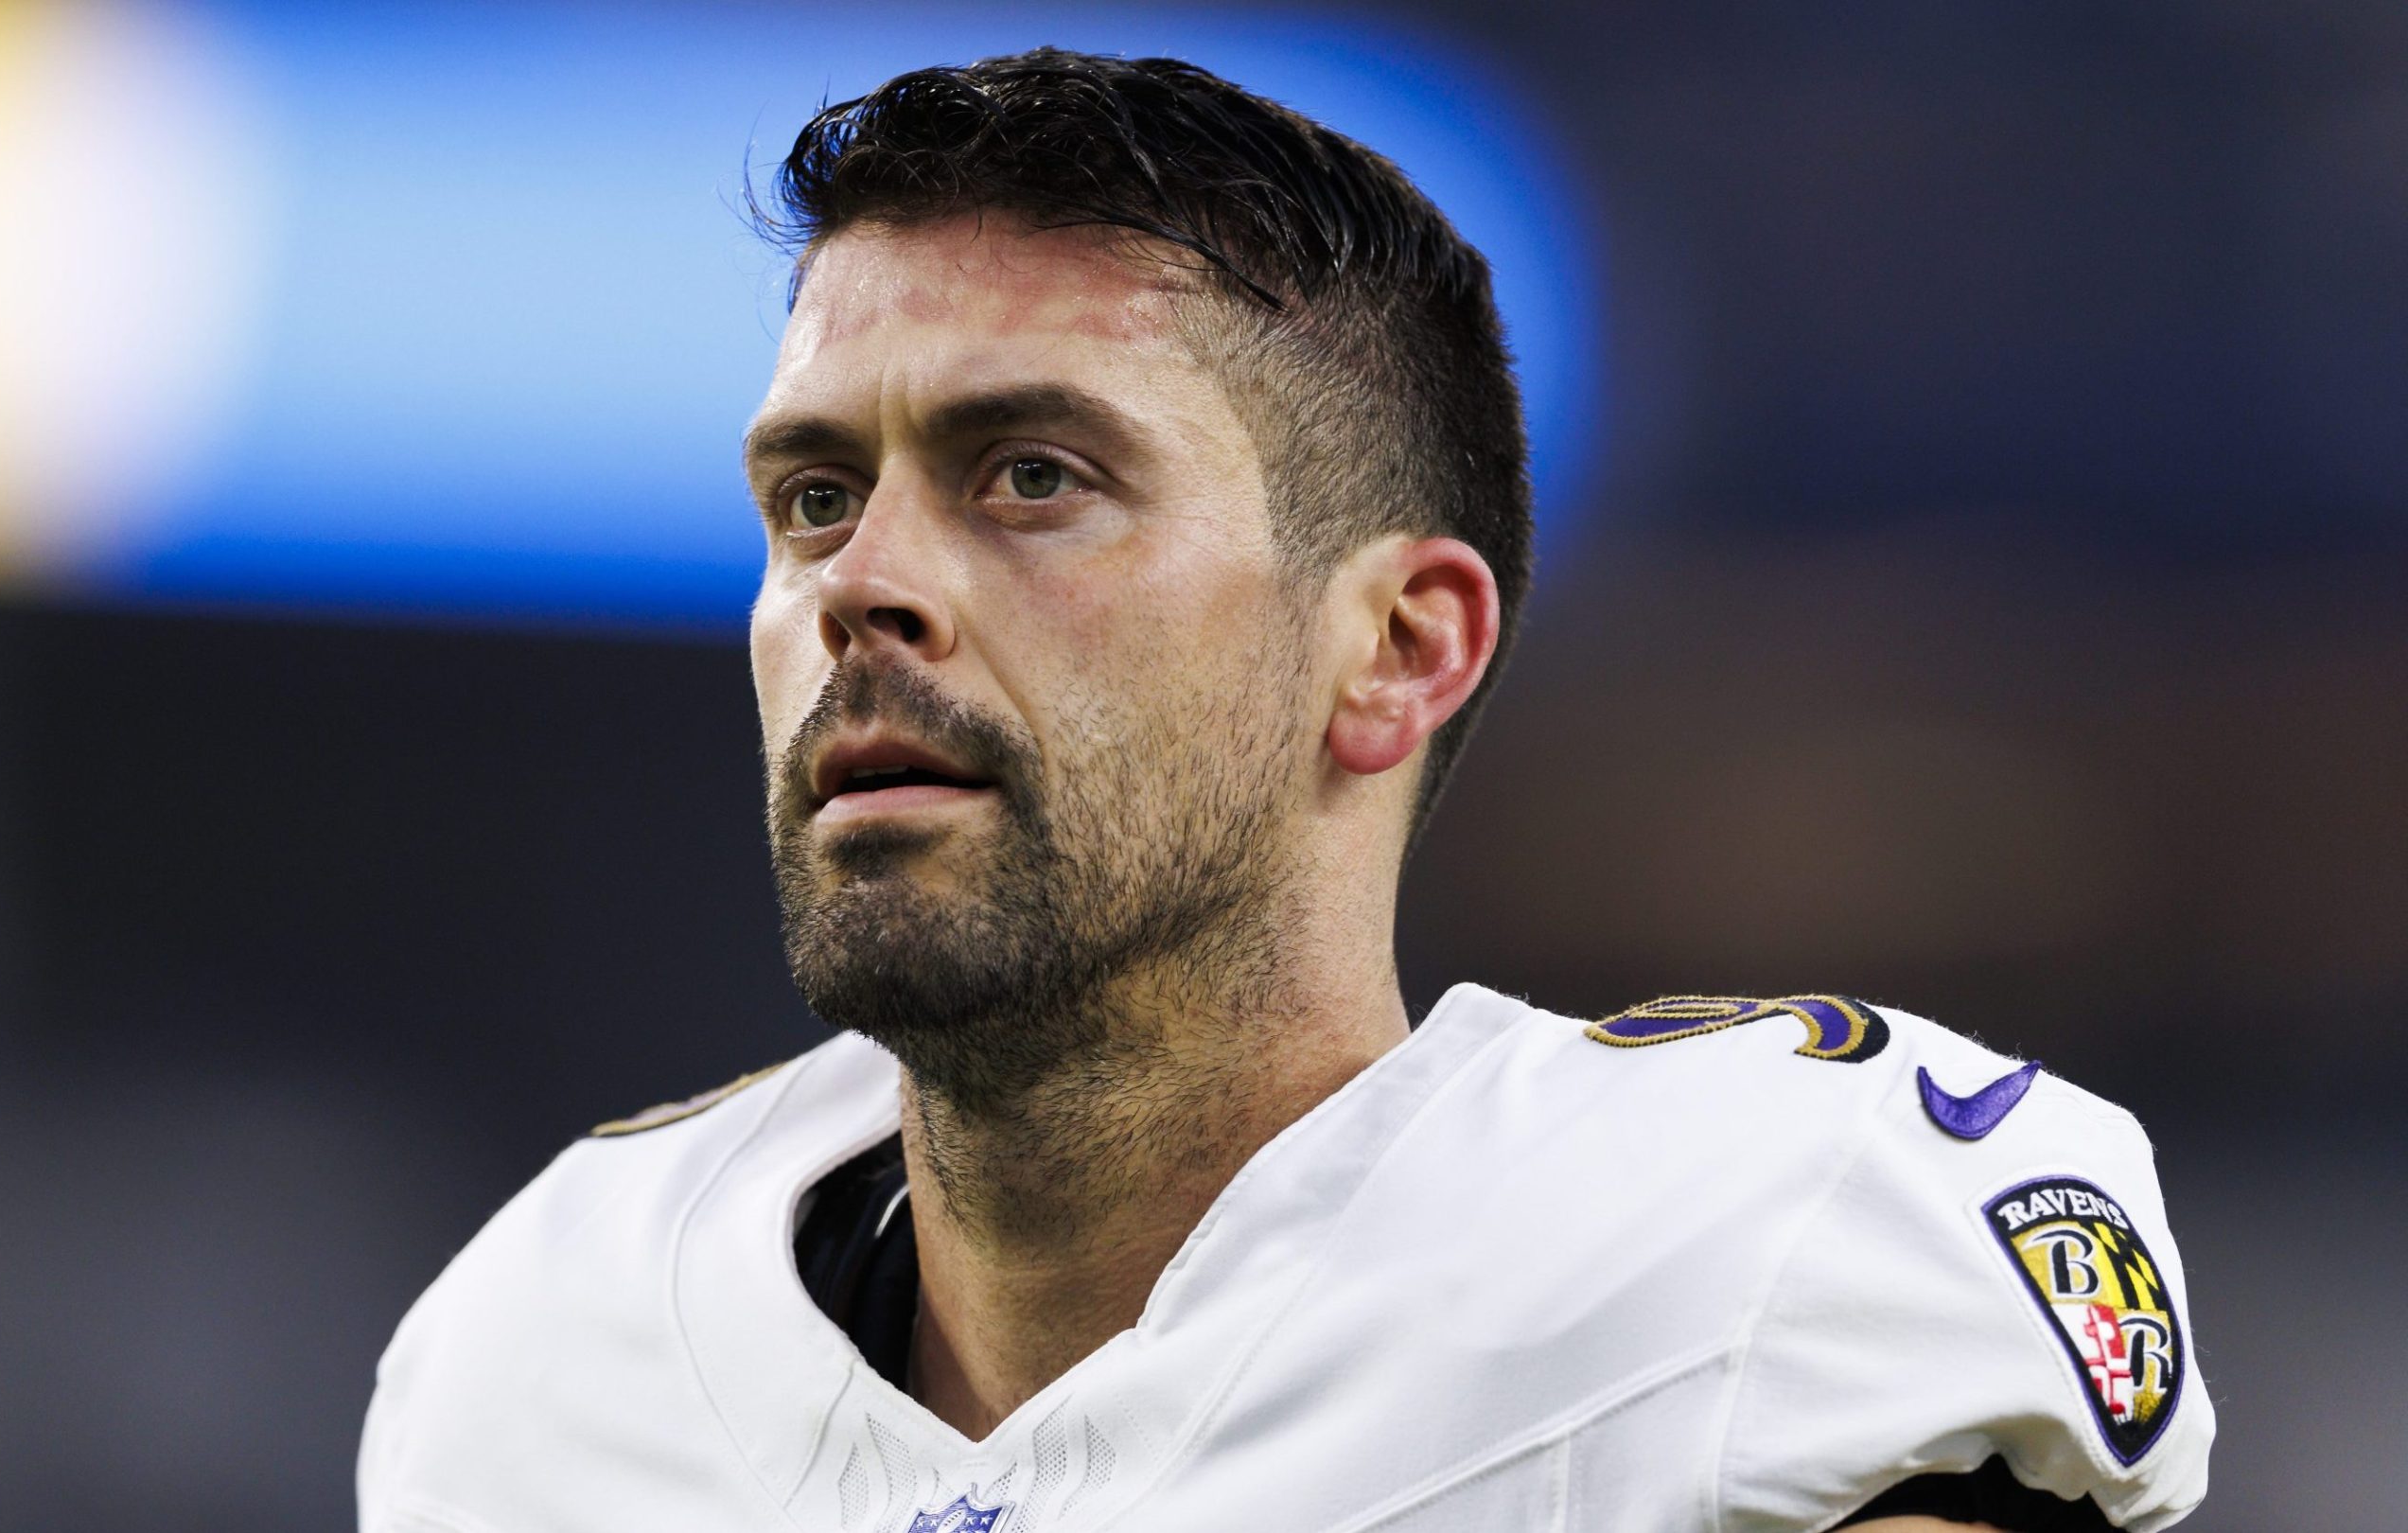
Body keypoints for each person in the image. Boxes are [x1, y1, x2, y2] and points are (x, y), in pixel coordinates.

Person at [357, 49, 2212, 1533]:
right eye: (814, 496)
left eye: (1033, 477)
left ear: (1399, 645)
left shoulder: (1738, 1270)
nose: (859, 585)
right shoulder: (543, 1360)